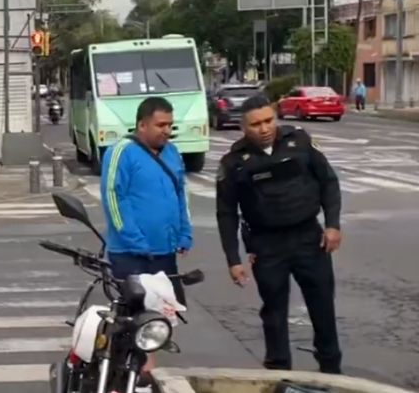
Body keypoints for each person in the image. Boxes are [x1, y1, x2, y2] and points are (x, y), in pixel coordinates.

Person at [215, 95, 343, 374]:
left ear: (275, 117)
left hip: (309, 238)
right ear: (243, 127)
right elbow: (226, 212)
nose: (264, 128)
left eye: (268, 120)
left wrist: (333, 224)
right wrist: (233, 259)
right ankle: (279, 371)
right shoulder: (234, 162)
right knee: (274, 312)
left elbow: (328, 182)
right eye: (256, 124)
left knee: (322, 305)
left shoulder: (300, 142)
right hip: (266, 244)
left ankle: (331, 369)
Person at [100, 96, 193, 378]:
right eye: (160, 125)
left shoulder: (172, 153)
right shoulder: (121, 151)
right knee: (132, 315)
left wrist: (184, 231)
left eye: (170, 125)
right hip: (130, 253)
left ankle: (147, 369)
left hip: (163, 251)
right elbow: (114, 197)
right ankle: (121, 368)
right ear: (142, 124)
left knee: (160, 314)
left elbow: (180, 193)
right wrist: (134, 238)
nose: (166, 130)